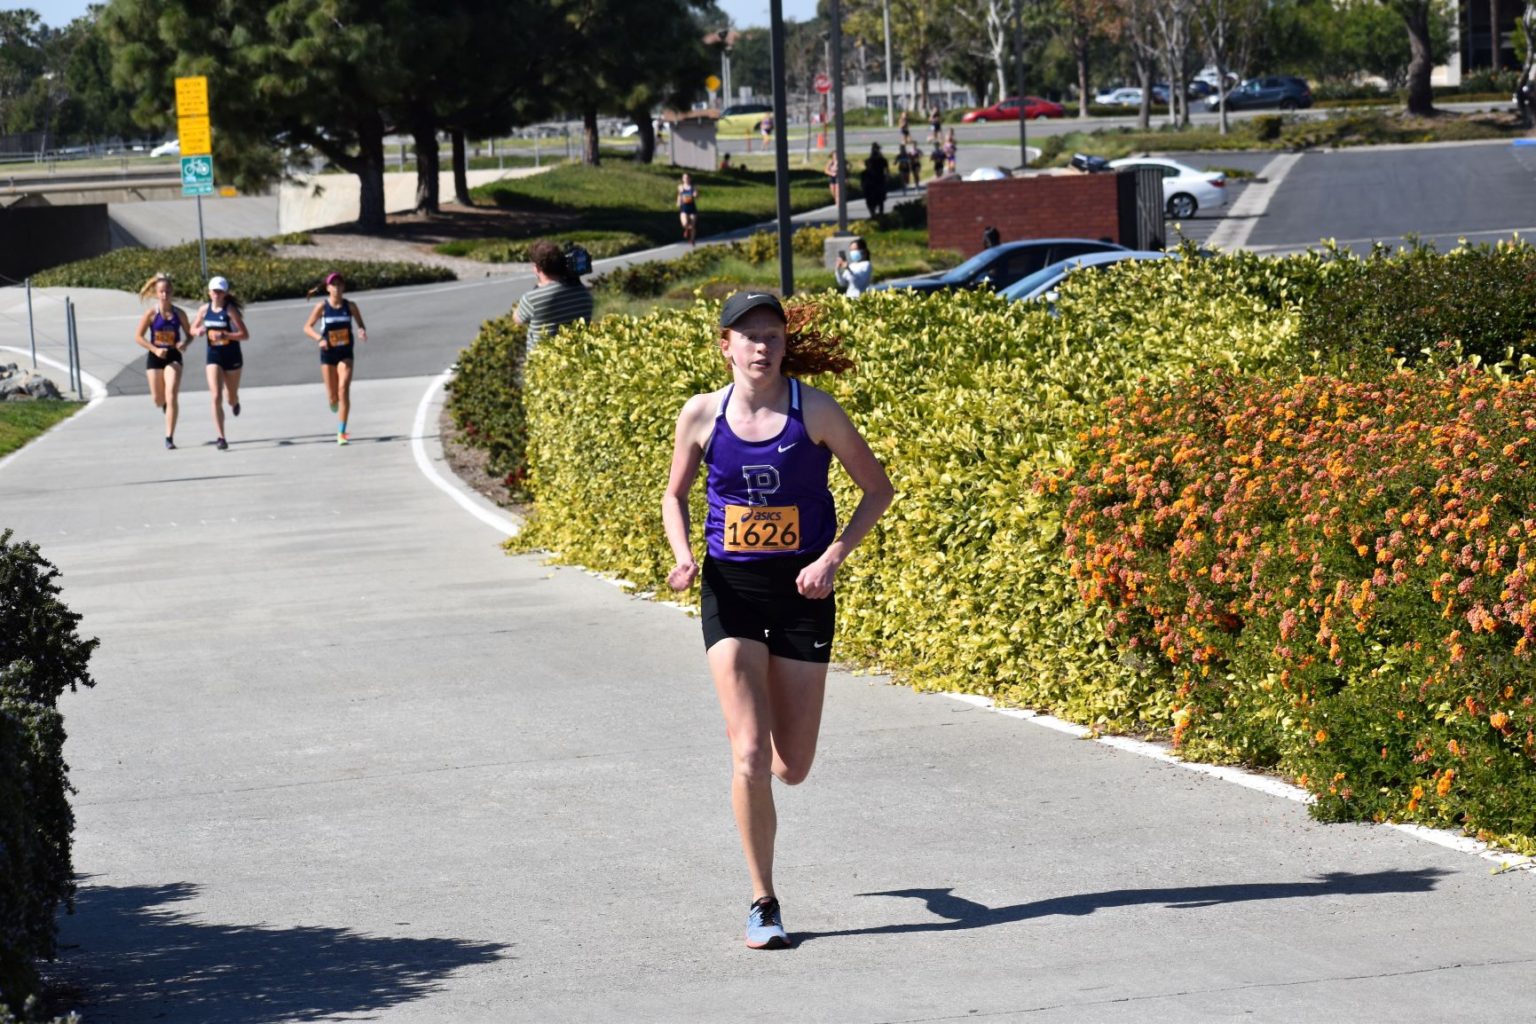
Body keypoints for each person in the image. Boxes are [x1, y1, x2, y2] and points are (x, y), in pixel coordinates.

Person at [662, 291, 894, 950]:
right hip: (730, 586)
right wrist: (683, 558)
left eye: (771, 335)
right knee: (748, 755)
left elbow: (878, 489)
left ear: (785, 345)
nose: (760, 346)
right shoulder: (702, 415)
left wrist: (832, 560)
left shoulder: (815, 410)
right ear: (725, 346)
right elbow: (674, 495)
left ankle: (766, 774)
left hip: (803, 591)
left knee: (792, 767)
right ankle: (764, 901)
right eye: (747, 336)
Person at [302, 272, 368, 445]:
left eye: (340, 284)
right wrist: (319, 339)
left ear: (344, 287)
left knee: (343, 388)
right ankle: (333, 401)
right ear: (328, 288)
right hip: (328, 353)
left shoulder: (351, 306)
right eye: (333, 285)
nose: (337, 288)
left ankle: (341, 432)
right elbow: (307, 327)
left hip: (345, 353)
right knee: (333, 397)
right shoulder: (322, 307)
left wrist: (361, 330)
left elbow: (361, 323)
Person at [133, 272, 193, 450]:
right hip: (155, 357)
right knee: (158, 400)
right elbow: (138, 337)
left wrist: (184, 343)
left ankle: (169, 437)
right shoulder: (151, 314)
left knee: (172, 393)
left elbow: (190, 335)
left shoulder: (179, 314)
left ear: (171, 292)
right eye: (161, 291)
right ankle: (165, 405)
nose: (164, 295)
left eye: (167, 291)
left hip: (173, 356)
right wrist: (155, 349)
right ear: (156, 293)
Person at [190, 275, 249, 452]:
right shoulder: (203, 310)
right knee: (216, 396)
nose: (216, 294)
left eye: (220, 291)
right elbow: (192, 328)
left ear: (225, 293)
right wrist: (198, 331)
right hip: (213, 356)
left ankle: (235, 401)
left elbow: (245, 335)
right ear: (209, 292)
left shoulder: (230, 311)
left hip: (232, 356)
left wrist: (226, 336)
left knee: (230, 397)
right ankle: (221, 437)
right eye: (214, 291)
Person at [513, 240, 594, 353]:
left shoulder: (532, 299)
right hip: (577, 357)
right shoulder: (584, 294)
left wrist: (537, 288)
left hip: (542, 363)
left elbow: (517, 319)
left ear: (537, 268)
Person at [860, 143, 889, 217]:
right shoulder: (876, 160)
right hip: (873, 182)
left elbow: (886, 172)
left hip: (878, 182)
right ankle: (874, 214)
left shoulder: (882, 160)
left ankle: (876, 214)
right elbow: (887, 172)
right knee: (875, 201)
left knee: (879, 201)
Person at [677, 173, 699, 245]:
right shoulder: (680, 187)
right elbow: (679, 195)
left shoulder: (693, 187)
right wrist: (678, 202)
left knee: (692, 225)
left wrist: (695, 195)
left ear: (690, 179)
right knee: (685, 223)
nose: (685, 179)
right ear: (682, 179)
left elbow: (697, 196)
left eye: (687, 178)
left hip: (692, 208)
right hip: (684, 208)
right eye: (684, 178)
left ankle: (692, 239)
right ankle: (687, 229)